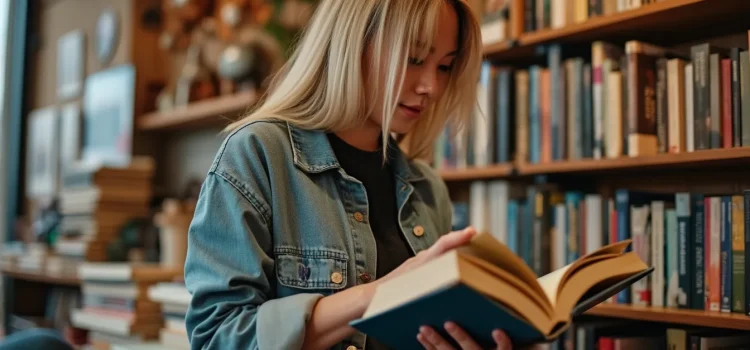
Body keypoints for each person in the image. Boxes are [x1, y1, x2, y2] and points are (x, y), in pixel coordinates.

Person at [183, 1, 513, 349]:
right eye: (414, 58)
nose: (431, 85)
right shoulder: (258, 154)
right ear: (352, 43)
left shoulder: (428, 190)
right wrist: (382, 294)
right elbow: (215, 338)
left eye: (445, 66)